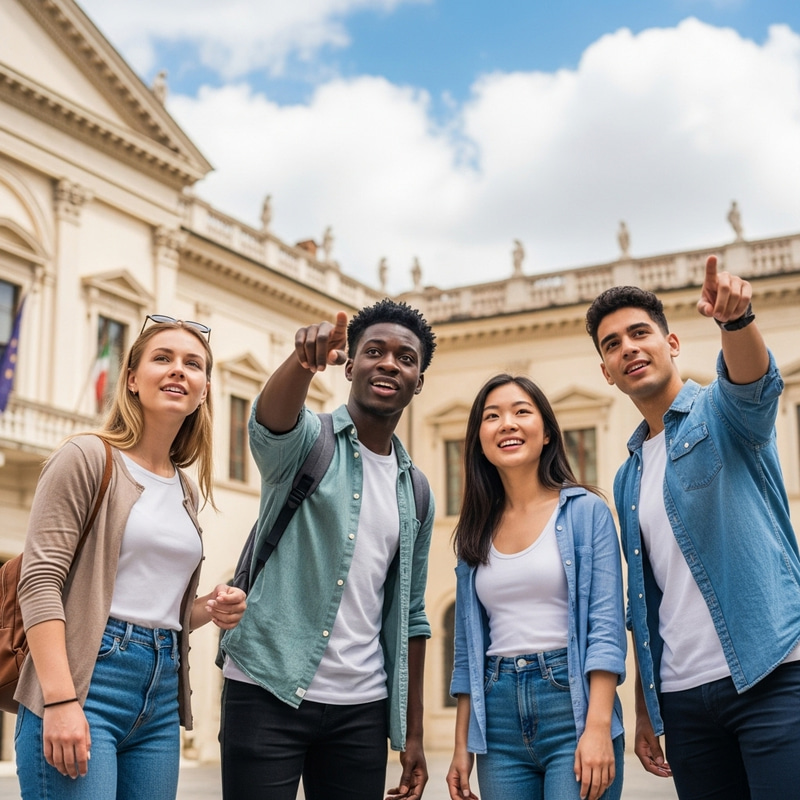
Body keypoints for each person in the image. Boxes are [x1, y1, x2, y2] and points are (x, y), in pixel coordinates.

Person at [585, 256, 800, 799]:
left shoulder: (722, 413)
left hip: (771, 675)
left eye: (640, 333)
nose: (629, 347)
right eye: (612, 345)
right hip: (683, 701)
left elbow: (754, 382)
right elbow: (648, 602)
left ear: (672, 343)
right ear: (606, 372)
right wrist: (646, 708)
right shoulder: (627, 475)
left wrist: (736, 321)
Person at [15, 315, 247, 800]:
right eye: (162, 358)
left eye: (193, 364)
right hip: (86, 680)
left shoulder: (184, 488)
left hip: (161, 695)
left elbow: (155, 604)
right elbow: (38, 583)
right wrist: (60, 700)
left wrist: (210, 608)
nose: (178, 370)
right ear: (131, 380)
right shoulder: (86, 457)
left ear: (204, 390)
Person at [219, 298, 437, 800]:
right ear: (350, 365)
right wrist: (302, 363)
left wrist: (413, 735)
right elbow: (268, 420)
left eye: (406, 358)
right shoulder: (308, 440)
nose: (389, 363)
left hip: (361, 708)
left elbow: (413, 616)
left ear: (418, 380)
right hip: (266, 686)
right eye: (374, 351)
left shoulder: (417, 490)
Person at [447, 374, 626, 800]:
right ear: (480, 440)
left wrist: (598, 728)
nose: (507, 423)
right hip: (498, 721)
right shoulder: (475, 530)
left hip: (572, 709)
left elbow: (606, 628)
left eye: (521, 412)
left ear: (546, 433)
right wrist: (462, 745)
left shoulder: (587, 512)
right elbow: (467, 650)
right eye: (492, 417)